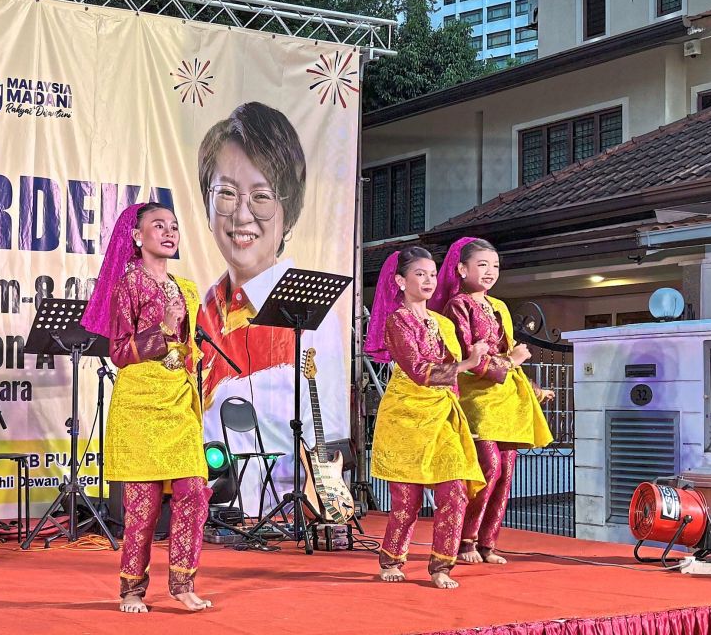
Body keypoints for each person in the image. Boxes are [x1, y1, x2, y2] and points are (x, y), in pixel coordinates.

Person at [196, 102, 348, 515]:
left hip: (283, 509)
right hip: (216, 512)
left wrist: (322, 497)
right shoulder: (204, 310)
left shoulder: (309, 307)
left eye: (261, 197)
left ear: (288, 210)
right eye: (226, 193)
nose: (242, 215)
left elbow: (328, 428)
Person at [81, 202, 213, 614]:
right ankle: (132, 589)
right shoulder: (129, 285)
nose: (170, 232)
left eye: (174, 226)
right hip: (141, 401)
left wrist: (195, 364)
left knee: (194, 492)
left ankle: (183, 582)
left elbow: (188, 348)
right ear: (137, 237)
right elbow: (119, 352)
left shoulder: (186, 288)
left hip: (178, 400)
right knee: (144, 504)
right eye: (159, 226)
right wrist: (163, 330)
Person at [365, 247, 486, 589]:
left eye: (433, 274)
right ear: (401, 281)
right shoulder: (397, 321)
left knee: (456, 492)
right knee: (408, 500)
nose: (429, 280)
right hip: (406, 415)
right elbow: (419, 371)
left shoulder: (444, 324)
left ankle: (441, 565)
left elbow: (456, 373)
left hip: (442, 412)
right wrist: (466, 364)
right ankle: (391, 560)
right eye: (420, 274)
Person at [431, 236, 554, 565]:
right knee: (489, 467)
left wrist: (532, 387)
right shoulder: (457, 306)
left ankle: (488, 542)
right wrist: (511, 362)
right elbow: (467, 360)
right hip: (477, 398)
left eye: (495, 266)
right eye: (482, 265)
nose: (490, 272)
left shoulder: (499, 307)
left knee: (507, 472)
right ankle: (464, 539)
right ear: (461, 269)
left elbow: (509, 352)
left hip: (507, 401)